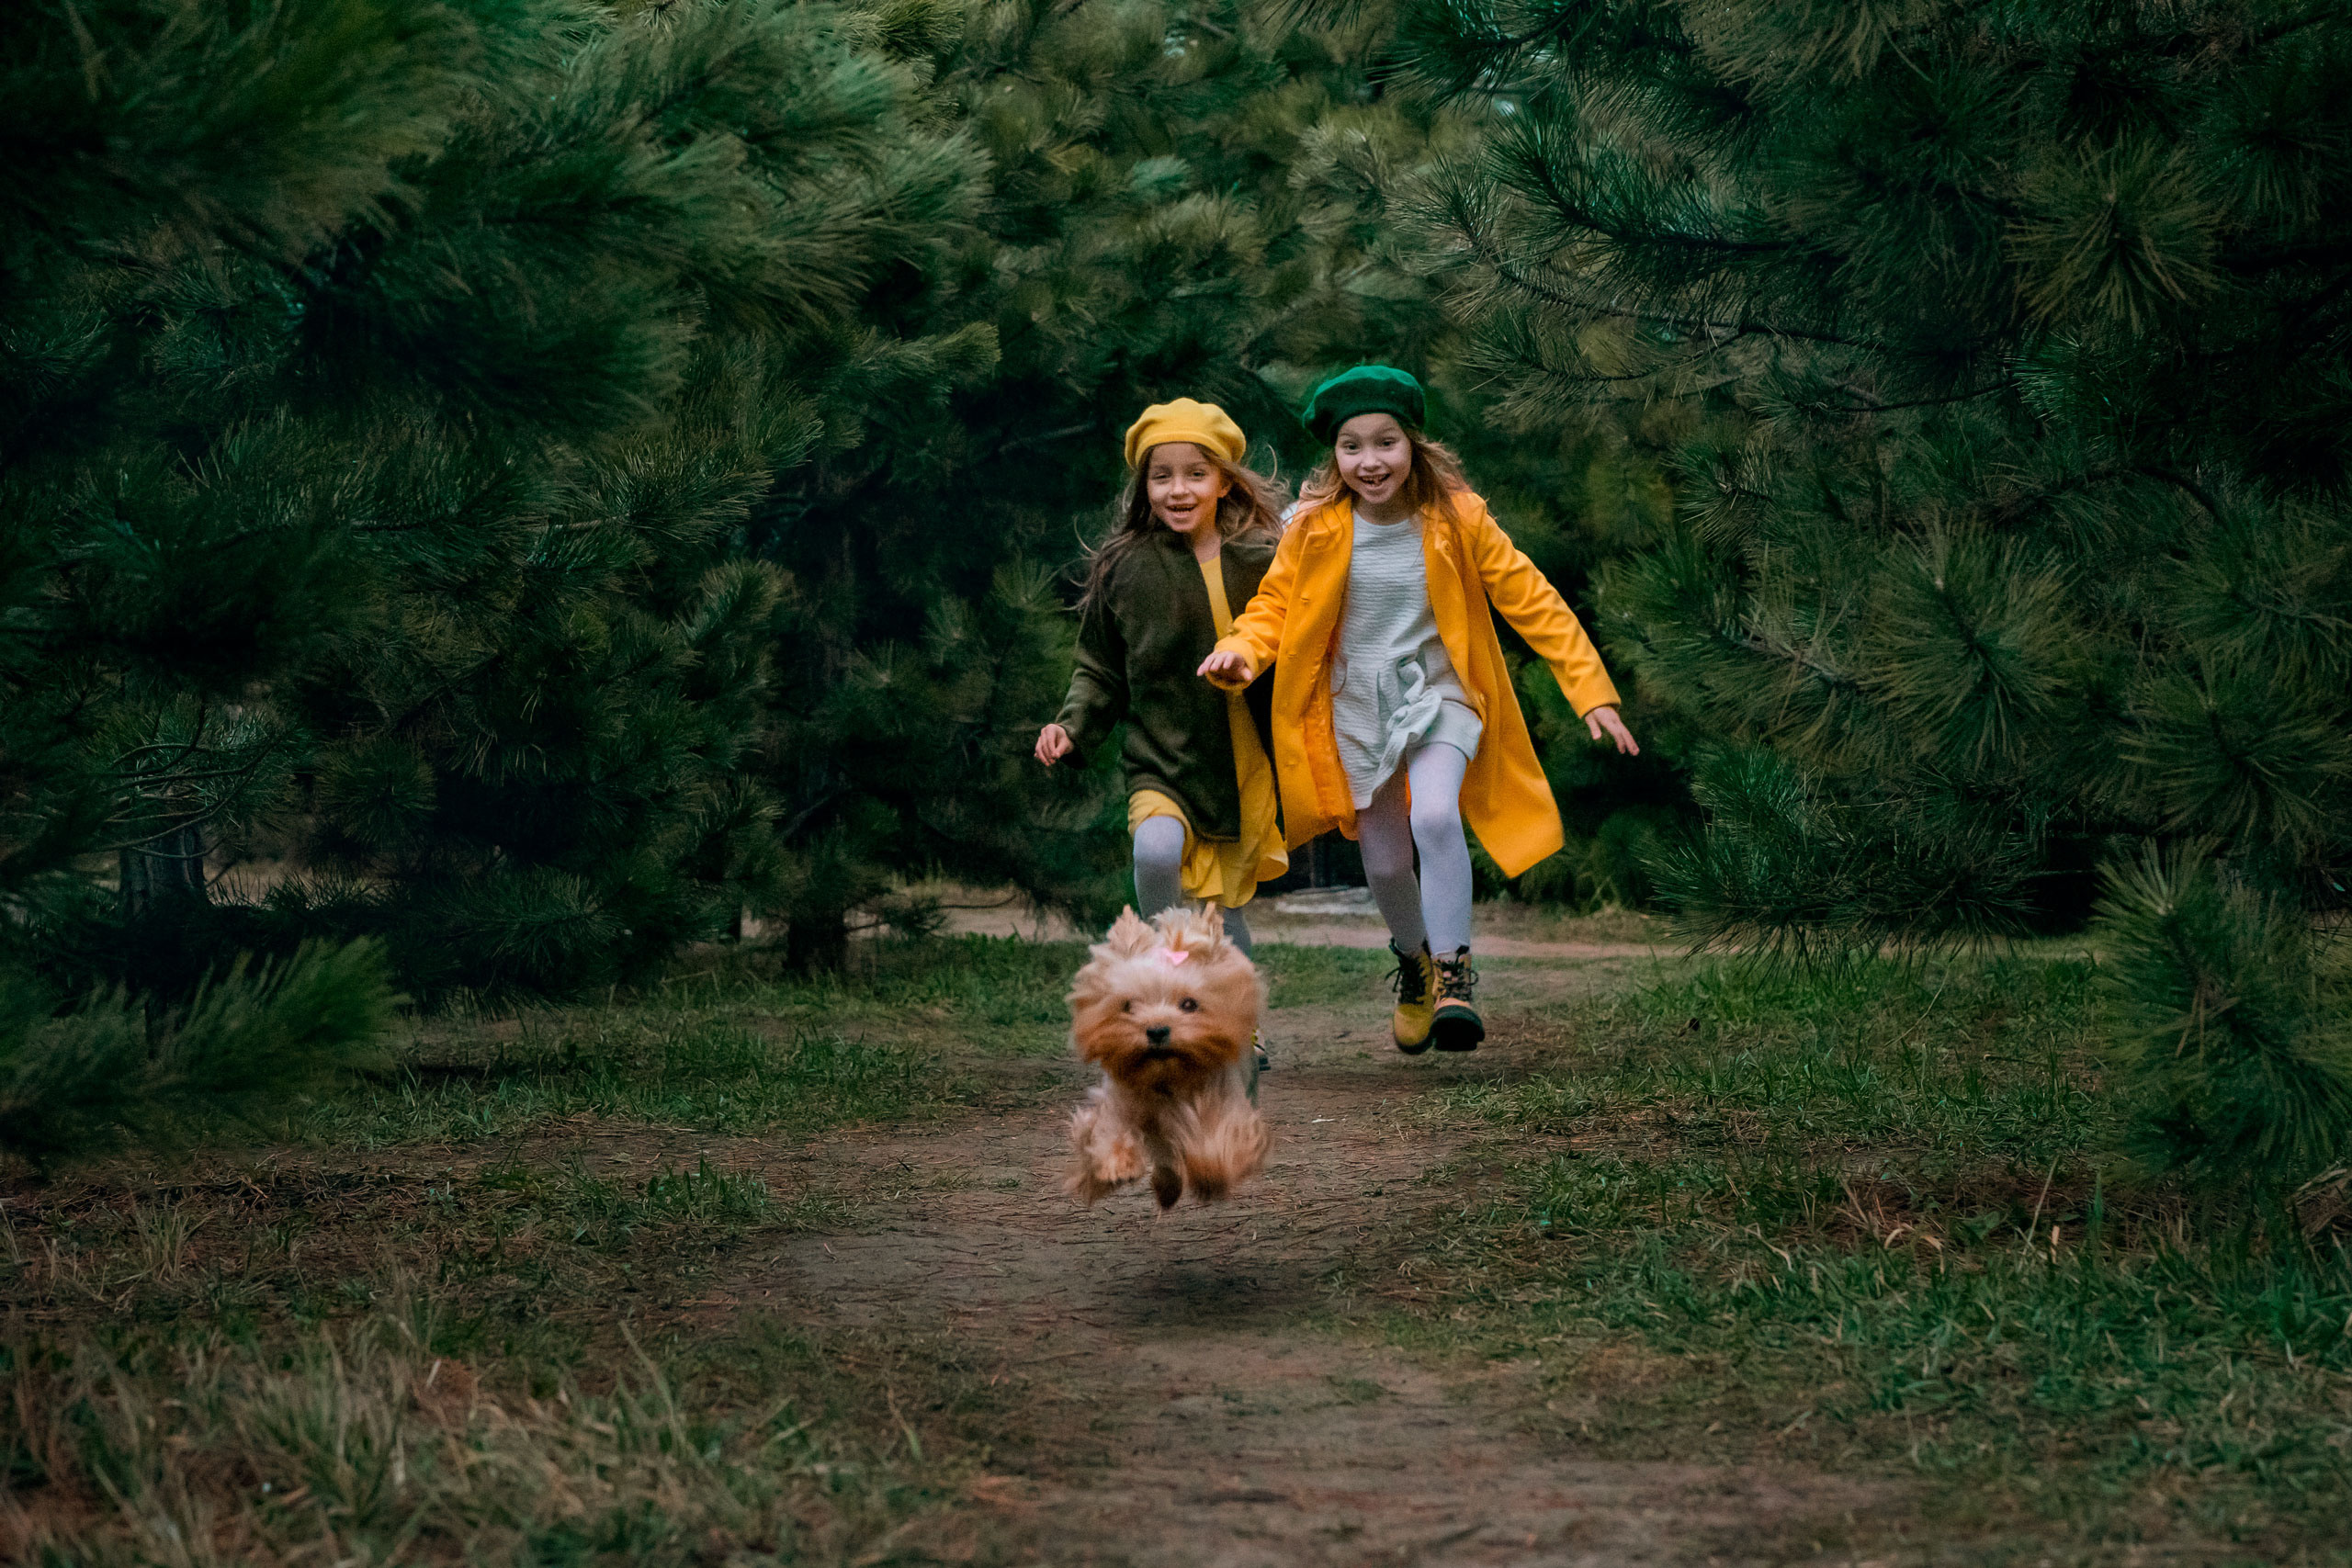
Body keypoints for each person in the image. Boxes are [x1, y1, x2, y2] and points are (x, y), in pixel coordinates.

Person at [1198, 365, 1638, 1054]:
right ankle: (1414, 961)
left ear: (1413, 445)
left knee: (1434, 815)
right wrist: (1243, 653)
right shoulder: (1314, 528)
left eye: (1385, 443)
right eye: (1352, 446)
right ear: (1335, 455)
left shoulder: (1459, 518)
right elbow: (1274, 610)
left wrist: (1591, 690)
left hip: (1441, 696)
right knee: (1383, 862)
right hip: (1355, 708)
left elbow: (1534, 600)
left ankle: (1455, 974)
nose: (1370, 462)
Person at [1037, 399, 1290, 1067]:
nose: (1178, 489)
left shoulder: (1263, 556)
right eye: (1162, 476)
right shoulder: (1126, 567)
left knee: (1225, 915)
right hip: (1161, 759)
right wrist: (1071, 727)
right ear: (1143, 487)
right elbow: (1098, 668)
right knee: (1155, 855)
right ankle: (1166, 968)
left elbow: (1305, 635)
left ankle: (1239, 1023)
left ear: (1226, 481)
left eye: (1195, 474)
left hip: (1239, 763)